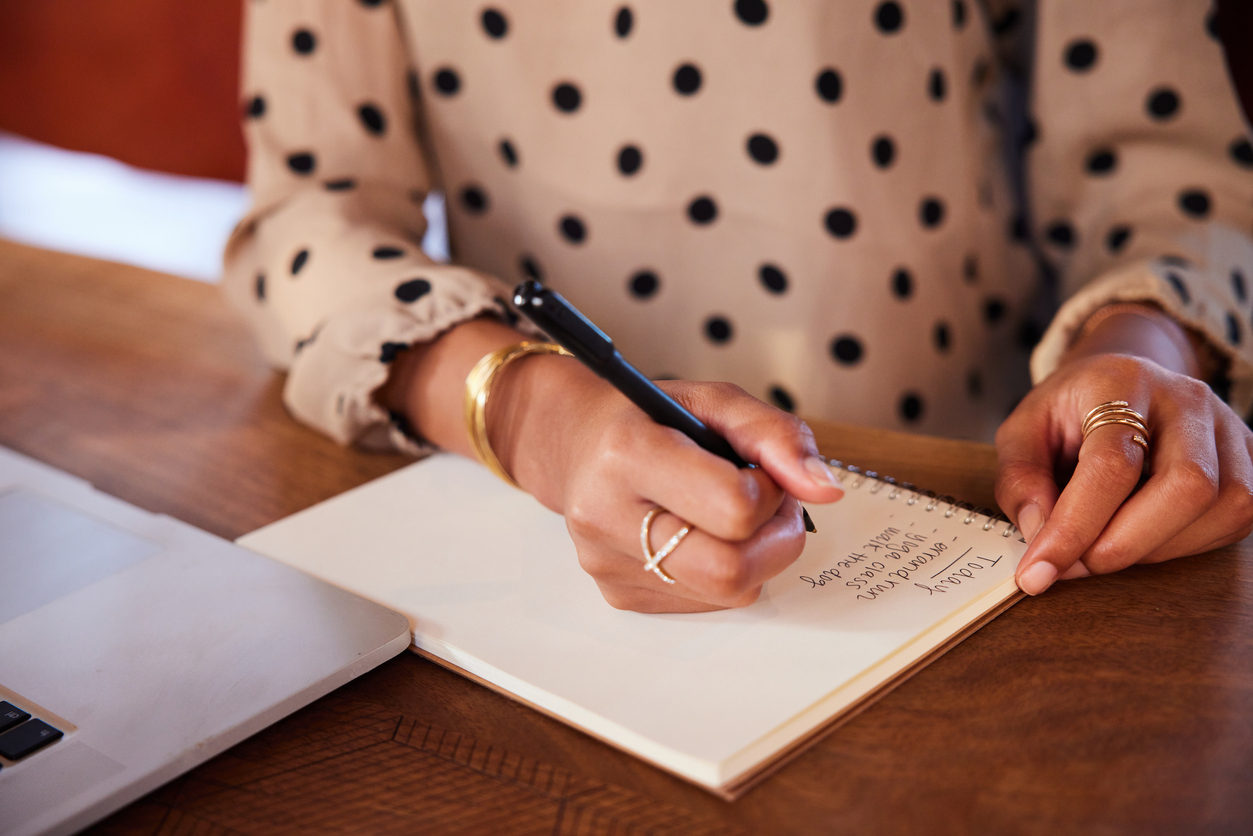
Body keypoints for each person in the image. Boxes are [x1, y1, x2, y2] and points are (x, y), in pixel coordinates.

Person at [225, 0, 1253, 612]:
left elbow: (1170, 175)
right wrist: (530, 411)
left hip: (995, 503)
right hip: (538, 535)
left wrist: (1137, 349)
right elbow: (306, 216)